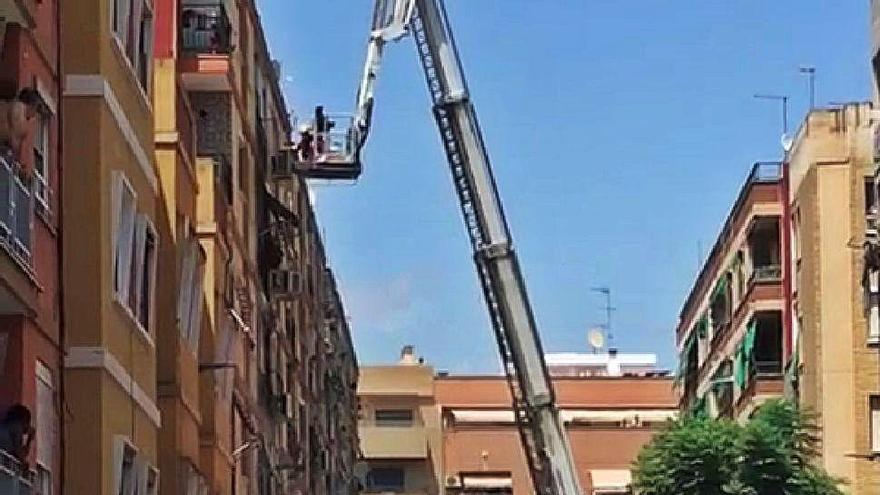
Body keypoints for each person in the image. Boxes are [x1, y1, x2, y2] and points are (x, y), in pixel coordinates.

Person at [0, 88, 41, 161]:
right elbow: (14, 140)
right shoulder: (20, 109)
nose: (34, 115)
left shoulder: (11, 106)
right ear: (32, 105)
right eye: (36, 109)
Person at [0, 403, 35, 469]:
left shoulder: (6, 425)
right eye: (28, 422)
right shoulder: (17, 426)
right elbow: (20, 455)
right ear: (24, 420)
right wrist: (29, 439)